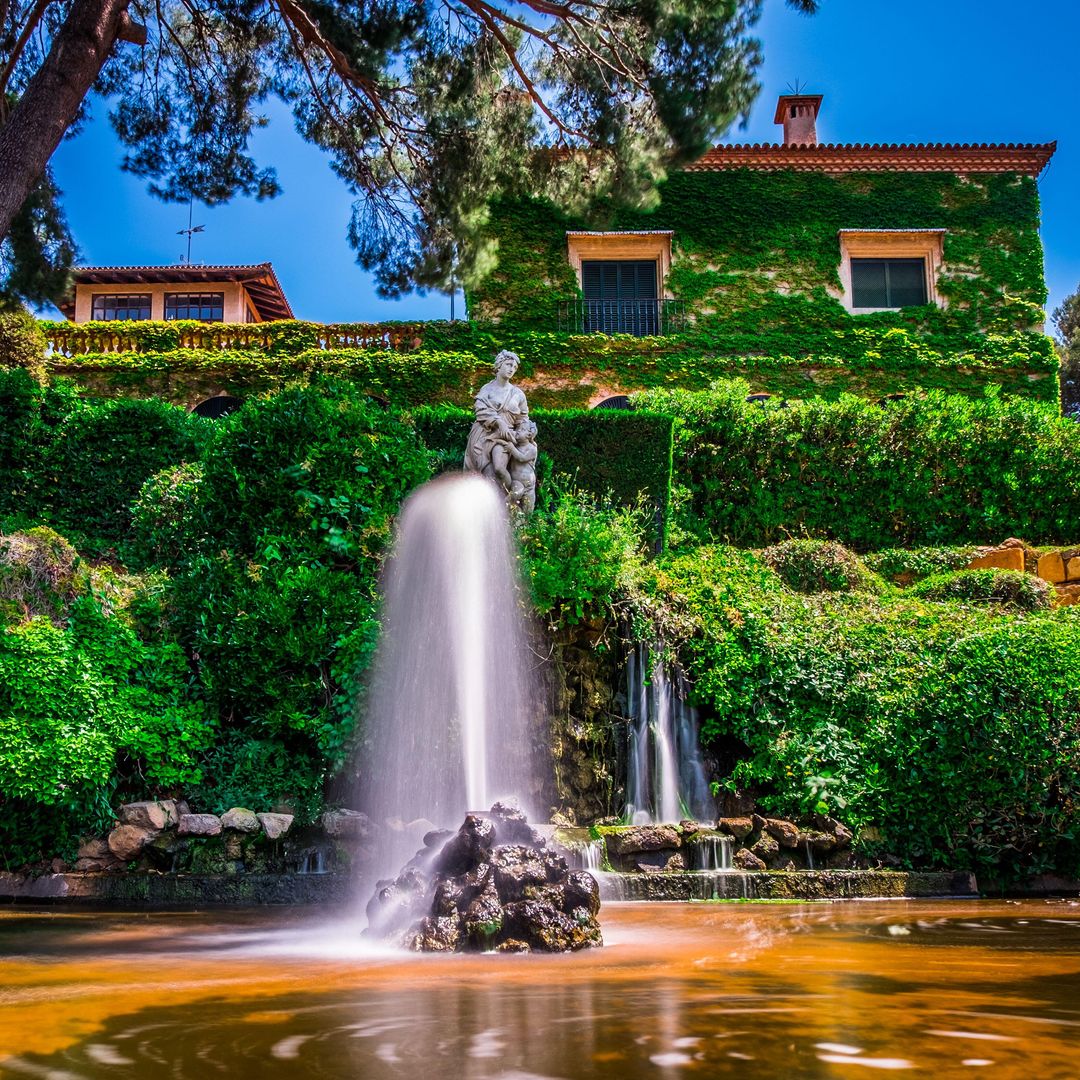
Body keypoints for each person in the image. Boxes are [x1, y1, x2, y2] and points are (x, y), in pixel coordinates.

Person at [464, 350, 530, 489]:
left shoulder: (518, 394)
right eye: (508, 364)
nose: (512, 369)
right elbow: (480, 409)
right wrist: (498, 421)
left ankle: (510, 499)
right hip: (483, 435)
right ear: (499, 365)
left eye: (515, 367)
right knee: (487, 474)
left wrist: (527, 434)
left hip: (504, 437)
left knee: (499, 469)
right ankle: (492, 504)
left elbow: (523, 419)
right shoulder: (487, 389)